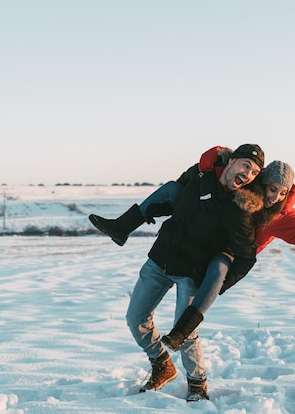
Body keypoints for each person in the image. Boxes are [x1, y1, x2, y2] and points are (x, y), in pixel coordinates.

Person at [90, 149, 295, 361]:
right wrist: (203, 176)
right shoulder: (242, 188)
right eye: (271, 189)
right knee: (173, 191)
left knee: (217, 269)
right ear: (261, 183)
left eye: (281, 193)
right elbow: (213, 160)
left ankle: (188, 346)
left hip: (229, 255)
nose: (275, 197)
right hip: (194, 243)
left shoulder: (281, 215)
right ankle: (123, 226)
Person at [90, 144, 266, 402]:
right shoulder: (199, 176)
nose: (248, 174)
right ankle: (162, 365)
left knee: (184, 333)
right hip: (161, 258)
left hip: (192, 273)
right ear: (231, 161)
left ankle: (197, 384)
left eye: (254, 172)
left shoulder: (239, 209)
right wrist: (152, 210)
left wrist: (217, 284)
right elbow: (174, 193)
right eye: (246, 165)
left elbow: (246, 257)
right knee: (135, 318)